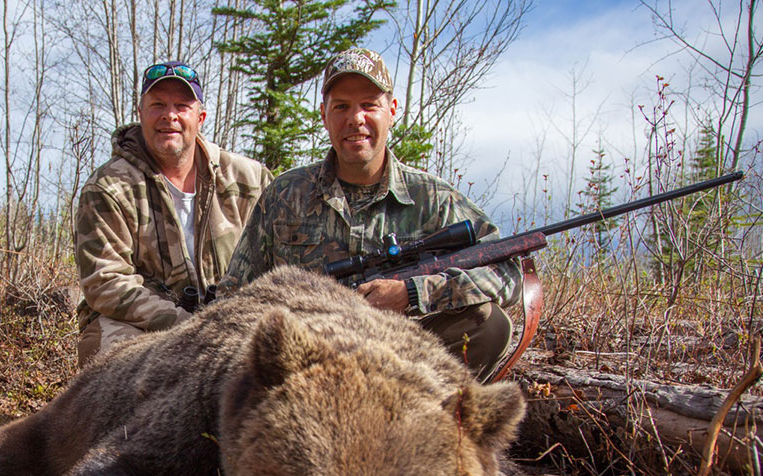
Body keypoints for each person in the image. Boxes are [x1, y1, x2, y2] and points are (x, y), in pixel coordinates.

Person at [219, 48, 522, 379]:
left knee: (489, 324)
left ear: (391, 111)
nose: (355, 119)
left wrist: (412, 294)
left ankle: (422, 422)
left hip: (398, 363)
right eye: (342, 107)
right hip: (302, 366)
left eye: (369, 105)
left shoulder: (433, 199)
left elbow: (507, 270)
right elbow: (233, 295)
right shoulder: (284, 194)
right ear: (324, 115)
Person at [75, 60, 273, 367]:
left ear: (200, 117)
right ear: (141, 114)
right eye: (157, 105)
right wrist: (185, 326)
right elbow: (106, 283)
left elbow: (280, 259)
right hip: (142, 325)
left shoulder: (250, 179)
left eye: (182, 105)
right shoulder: (108, 187)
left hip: (233, 320)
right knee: (117, 369)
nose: (170, 116)